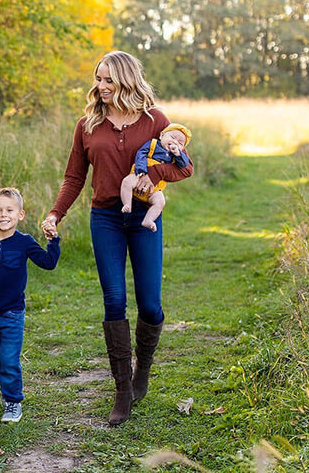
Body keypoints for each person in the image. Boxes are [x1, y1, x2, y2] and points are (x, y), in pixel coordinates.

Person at [41, 51, 193, 426]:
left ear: (126, 81)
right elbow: (74, 177)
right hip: (105, 218)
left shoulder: (155, 119)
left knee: (151, 305)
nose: (101, 86)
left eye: (109, 80)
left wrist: (151, 174)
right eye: (98, 79)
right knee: (114, 300)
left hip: (144, 217)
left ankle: (143, 369)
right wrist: (55, 213)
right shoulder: (88, 125)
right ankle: (123, 388)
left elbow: (182, 165)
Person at [0, 187, 60, 423]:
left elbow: (48, 263)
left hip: (12, 313)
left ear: (20, 215)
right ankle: (5, 381)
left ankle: (12, 401)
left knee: (9, 360)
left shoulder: (24, 242)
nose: (3, 215)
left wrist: (53, 241)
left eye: (9, 210)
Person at [120, 123, 192, 232]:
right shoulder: (152, 144)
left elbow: (184, 166)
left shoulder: (176, 156)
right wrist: (141, 170)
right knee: (126, 182)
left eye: (180, 143)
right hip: (139, 176)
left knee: (160, 201)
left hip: (154, 189)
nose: (175, 142)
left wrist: (178, 154)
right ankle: (127, 204)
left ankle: (148, 220)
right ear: (161, 135)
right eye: (172, 137)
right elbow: (141, 154)